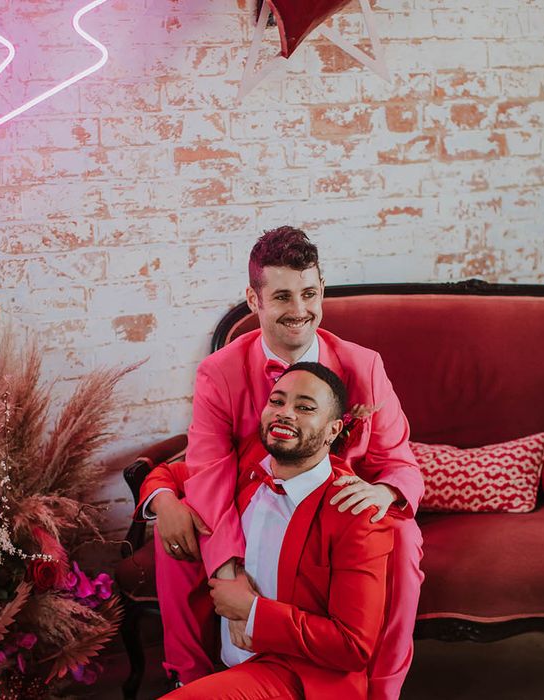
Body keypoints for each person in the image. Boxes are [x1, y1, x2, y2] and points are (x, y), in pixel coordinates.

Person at [143, 227, 424, 699]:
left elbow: (401, 462)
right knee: (183, 525)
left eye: (310, 293)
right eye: (282, 297)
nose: (300, 310)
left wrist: (385, 493)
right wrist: (231, 582)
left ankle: (382, 691)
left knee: (403, 534)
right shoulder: (220, 371)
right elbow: (209, 473)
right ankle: (191, 676)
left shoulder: (364, 366)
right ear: (253, 300)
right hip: (256, 493)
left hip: (340, 507)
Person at [162, 363, 394, 700]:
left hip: (297, 676)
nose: (285, 414)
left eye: (304, 407)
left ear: (332, 430)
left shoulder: (355, 513)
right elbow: (171, 474)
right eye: (277, 401)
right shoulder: (243, 468)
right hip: (221, 667)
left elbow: (353, 645)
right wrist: (165, 503)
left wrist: (252, 612)